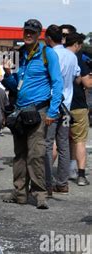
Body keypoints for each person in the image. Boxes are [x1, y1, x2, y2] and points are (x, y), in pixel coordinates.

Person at [2, 19, 63, 209]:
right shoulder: (19, 54)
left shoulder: (47, 54)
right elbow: (14, 87)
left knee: (36, 154)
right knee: (19, 154)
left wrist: (52, 112)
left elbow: (57, 83)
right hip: (20, 112)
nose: (28, 34)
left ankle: (40, 194)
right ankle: (20, 192)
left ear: (39, 35)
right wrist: (8, 74)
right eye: (26, 31)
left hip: (39, 111)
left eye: (32, 32)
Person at [44, 25, 81, 195]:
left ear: (48, 38)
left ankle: (45, 181)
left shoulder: (50, 54)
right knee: (64, 145)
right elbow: (76, 77)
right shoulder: (72, 56)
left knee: (47, 143)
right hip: (67, 106)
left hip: (52, 104)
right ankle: (62, 183)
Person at [68, 32, 91, 186]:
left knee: (59, 140)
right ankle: (81, 175)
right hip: (77, 105)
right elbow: (87, 84)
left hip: (59, 106)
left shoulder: (54, 56)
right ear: (76, 44)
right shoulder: (76, 59)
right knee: (80, 141)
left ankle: (48, 176)